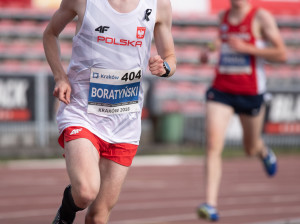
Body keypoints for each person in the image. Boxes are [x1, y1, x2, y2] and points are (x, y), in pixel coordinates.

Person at [43, 0, 176, 223]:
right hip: (83, 113)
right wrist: (60, 76)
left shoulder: (159, 5)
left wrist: (166, 67)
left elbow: (170, 56)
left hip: (125, 122)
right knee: (86, 191)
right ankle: (66, 213)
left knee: (97, 217)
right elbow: (49, 34)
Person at [197, 0, 287, 221]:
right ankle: (210, 204)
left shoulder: (260, 17)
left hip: (250, 92)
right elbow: (221, 41)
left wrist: (248, 48)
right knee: (212, 145)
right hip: (221, 89)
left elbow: (281, 54)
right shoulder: (223, 17)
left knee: (250, 147)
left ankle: (263, 151)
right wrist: (209, 50)